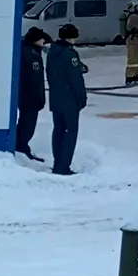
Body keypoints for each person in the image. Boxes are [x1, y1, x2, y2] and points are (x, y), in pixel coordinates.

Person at [45, 23, 88, 175]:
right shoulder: (70, 54)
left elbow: (50, 73)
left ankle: (58, 162)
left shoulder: (53, 52)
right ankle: (63, 166)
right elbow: (75, 79)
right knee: (70, 132)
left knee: (58, 130)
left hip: (55, 97)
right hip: (69, 99)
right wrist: (81, 97)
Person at [16, 27, 52, 160]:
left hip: (24, 96)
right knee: (28, 124)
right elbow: (34, 80)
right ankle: (22, 147)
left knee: (24, 122)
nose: (44, 41)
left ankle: (21, 146)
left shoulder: (26, 50)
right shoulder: (32, 56)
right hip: (30, 98)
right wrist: (39, 99)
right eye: (42, 39)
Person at [122, 2, 138, 86]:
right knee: (133, 59)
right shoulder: (134, 17)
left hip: (136, 40)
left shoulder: (132, 16)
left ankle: (135, 75)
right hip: (134, 40)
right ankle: (130, 77)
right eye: (136, 7)